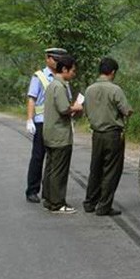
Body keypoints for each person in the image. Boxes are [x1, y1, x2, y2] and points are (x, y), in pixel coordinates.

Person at [83, 57, 133, 216]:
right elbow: (126, 110)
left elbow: (86, 110)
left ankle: (89, 202)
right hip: (113, 134)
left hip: (96, 134)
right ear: (113, 72)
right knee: (111, 170)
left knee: (95, 168)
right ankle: (104, 206)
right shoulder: (115, 90)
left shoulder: (89, 89)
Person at [25, 47, 68, 203]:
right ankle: (32, 190)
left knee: (53, 158)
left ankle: (49, 190)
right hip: (42, 122)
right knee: (38, 156)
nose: (57, 63)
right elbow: (32, 98)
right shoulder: (39, 77)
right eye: (55, 59)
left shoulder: (62, 78)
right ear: (48, 59)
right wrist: (30, 119)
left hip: (57, 123)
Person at [42, 54, 83, 214]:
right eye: (72, 70)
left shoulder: (52, 85)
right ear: (64, 69)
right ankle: (58, 203)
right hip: (60, 135)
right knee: (59, 170)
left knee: (51, 168)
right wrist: (77, 107)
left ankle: (48, 198)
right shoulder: (59, 87)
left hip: (51, 133)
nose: (73, 73)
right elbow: (64, 109)